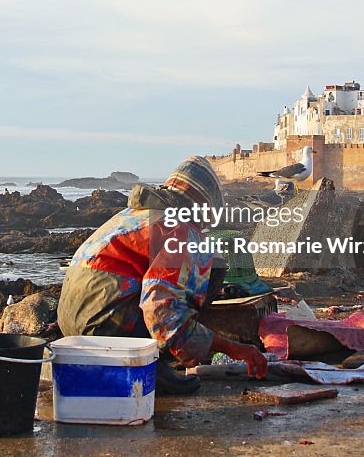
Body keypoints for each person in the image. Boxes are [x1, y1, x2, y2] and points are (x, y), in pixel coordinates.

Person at [57, 156, 268, 395]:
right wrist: (232, 348)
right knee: (214, 264)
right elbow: (162, 311)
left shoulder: (130, 215)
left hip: (70, 321)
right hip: (106, 324)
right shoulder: (179, 229)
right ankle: (154, 366)